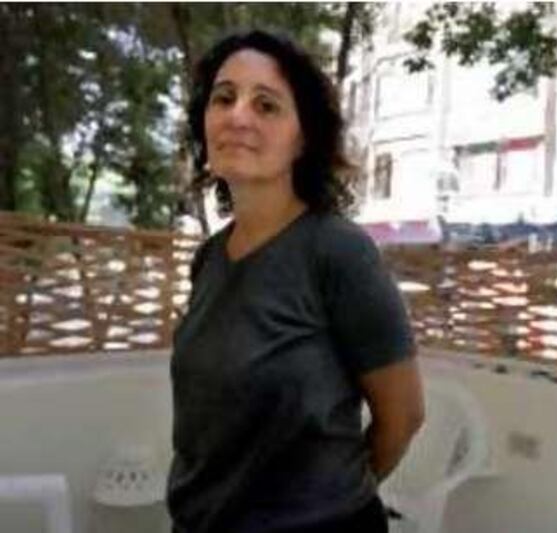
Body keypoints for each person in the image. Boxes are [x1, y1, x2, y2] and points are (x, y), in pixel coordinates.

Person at [167, 30, 425, 533]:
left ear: (303, 137)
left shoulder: (337, 250)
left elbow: (405, 415)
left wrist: (328, 500)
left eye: (266, 105)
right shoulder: (208, 259)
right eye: (224, 98)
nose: (238, 115)